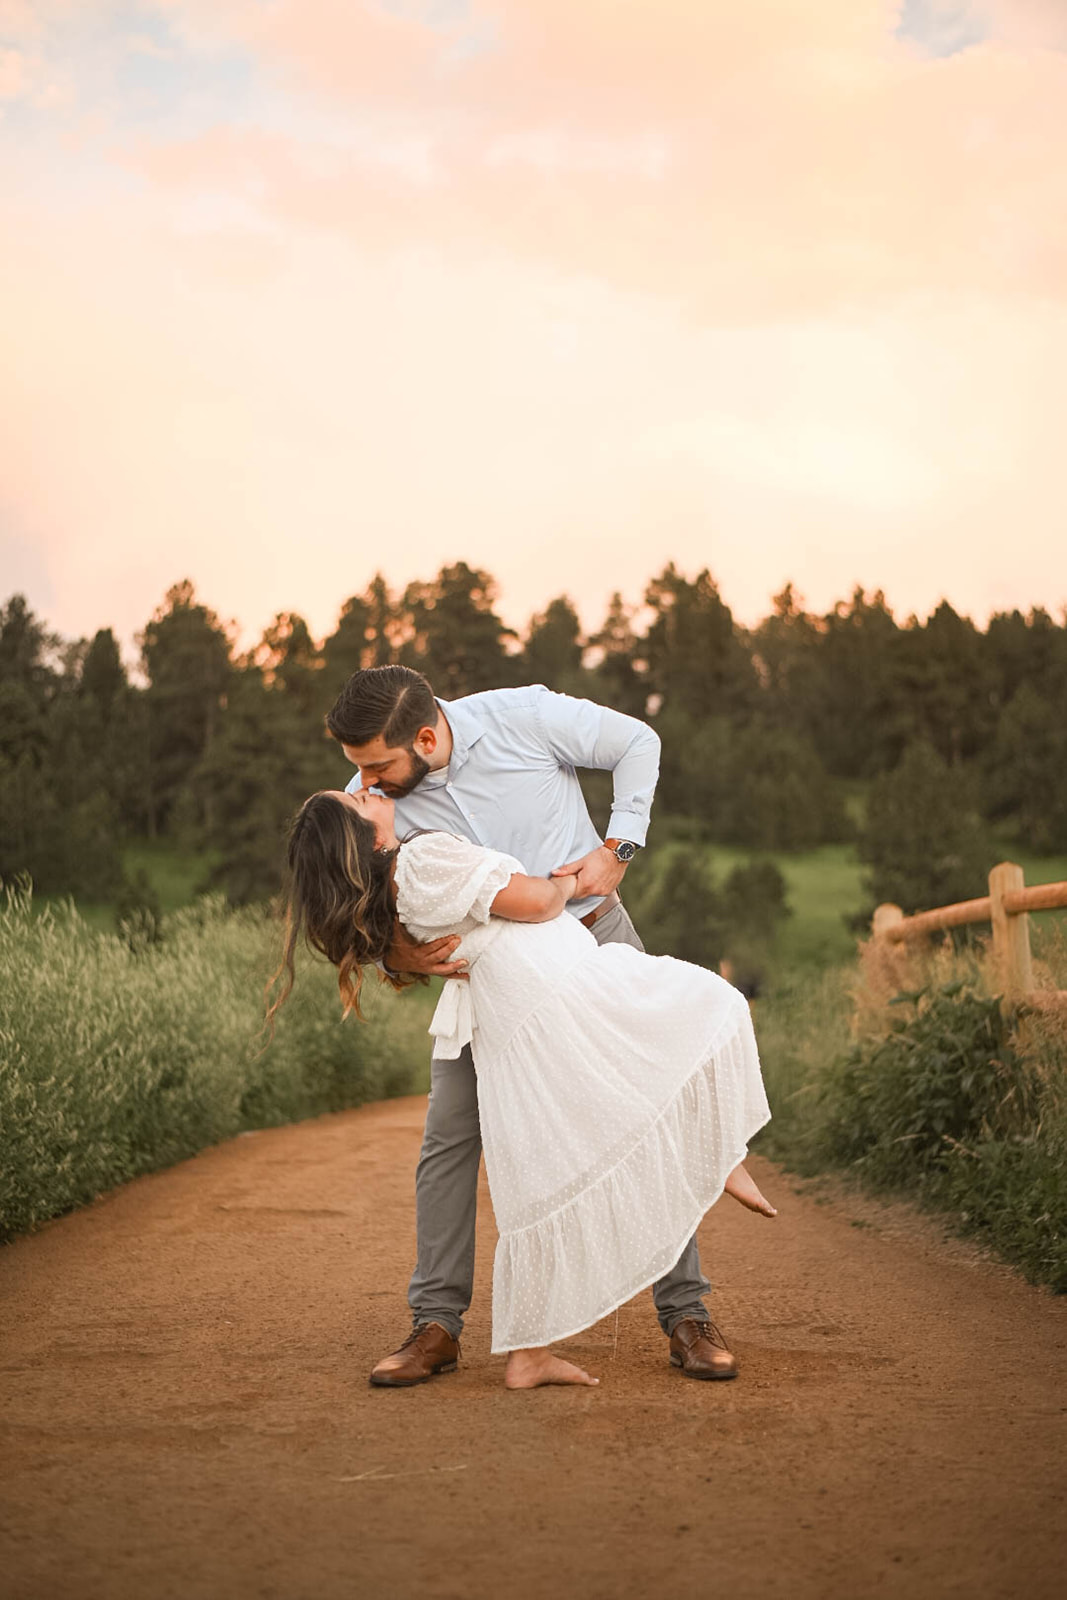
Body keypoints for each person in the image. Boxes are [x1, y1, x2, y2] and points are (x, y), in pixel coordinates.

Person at [322, 666, 747, 1386]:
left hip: (594, 935)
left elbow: (637, 742)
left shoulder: (524, 716)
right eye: (356, 769)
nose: (367, 782)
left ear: (425, 736)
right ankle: (434, 1325)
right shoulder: (377, 797)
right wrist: (401, 951)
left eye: (377, 766)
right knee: (451, 1135)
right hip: (490, 977)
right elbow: (344, 887)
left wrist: (618, 849)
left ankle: (685, 1313)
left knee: (654, 1114)